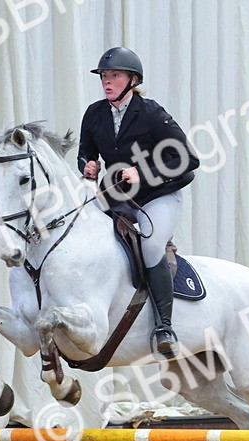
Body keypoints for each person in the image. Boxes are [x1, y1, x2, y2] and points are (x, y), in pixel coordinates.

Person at [77, 46, 200, 359]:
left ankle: (164, 327)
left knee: (148, 246)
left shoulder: (151, 113)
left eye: (114, 76)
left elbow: (187, 159)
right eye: (104, 76)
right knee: (78, 236)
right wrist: (87, 165)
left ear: (132, 79)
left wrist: (141, 172)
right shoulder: (94, 113)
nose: (107, 81)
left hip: (158, 196)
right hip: (115, 197)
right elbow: (86, 151)